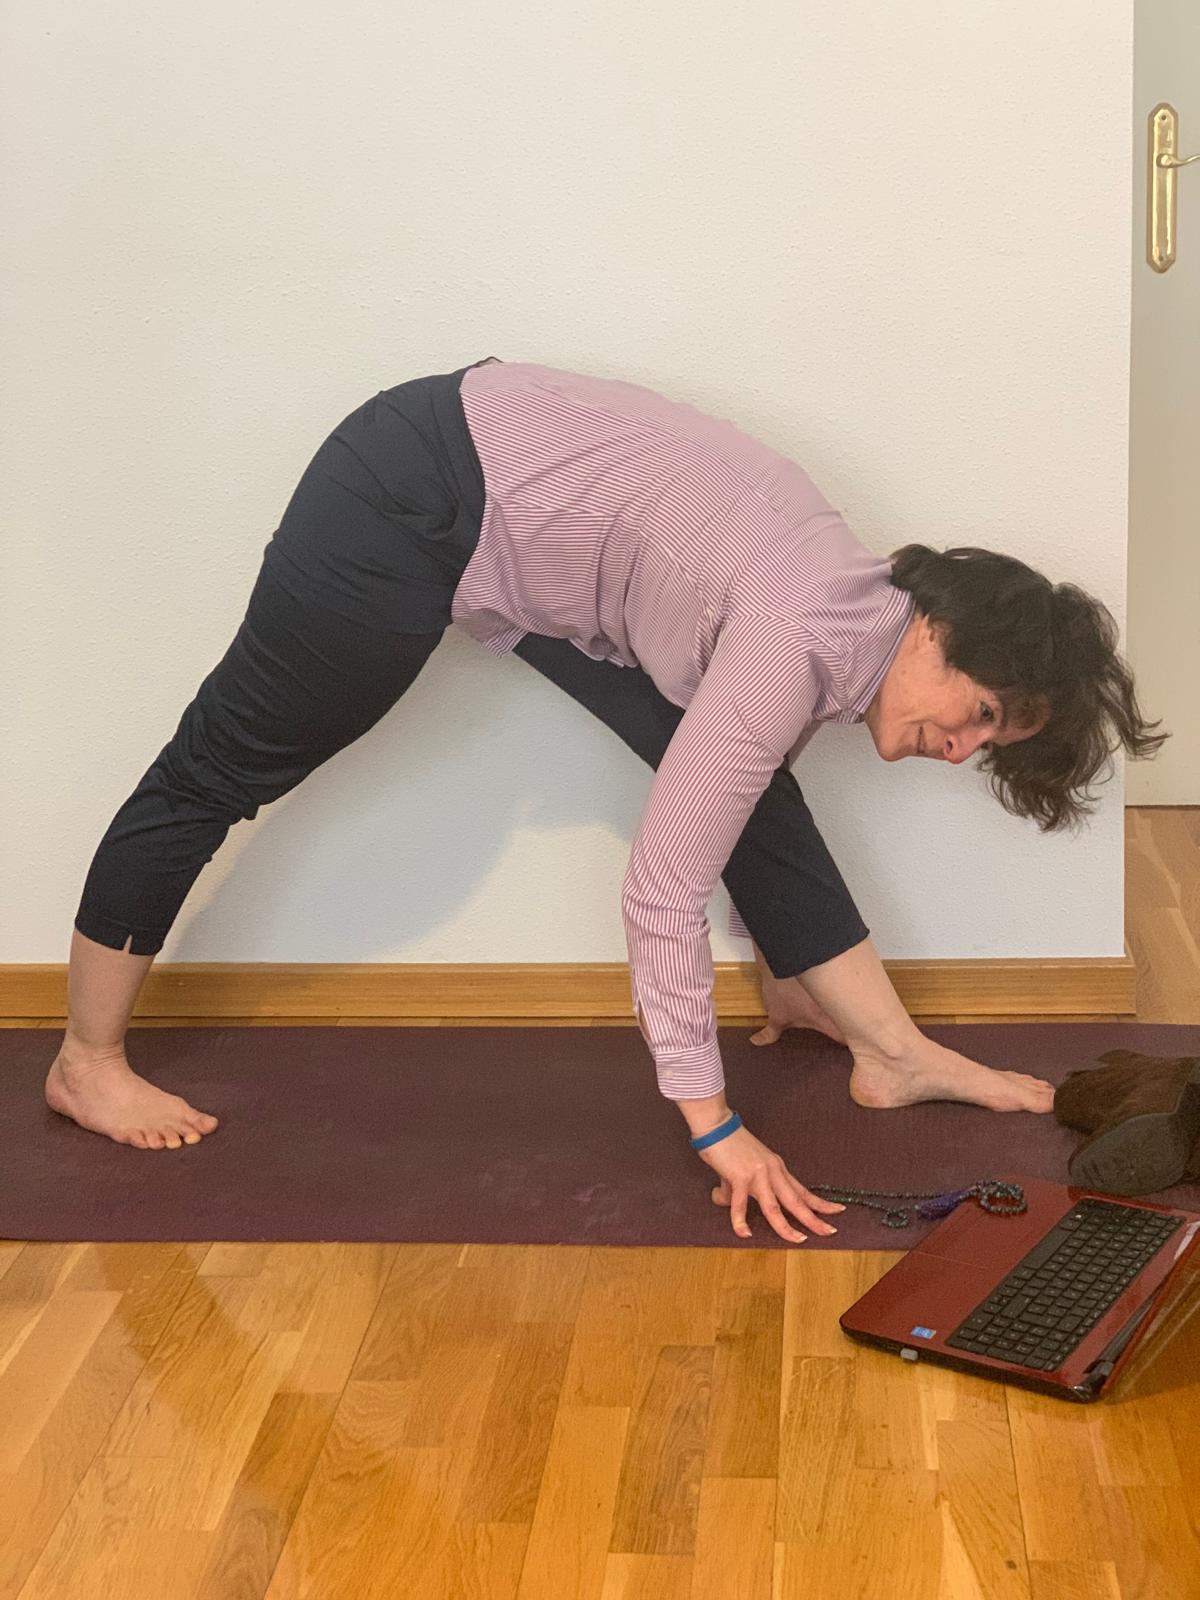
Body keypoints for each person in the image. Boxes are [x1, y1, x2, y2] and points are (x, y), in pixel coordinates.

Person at [45, 357, 1167, 1244]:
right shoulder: (789, 643)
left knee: (741, 776)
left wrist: (778, 963)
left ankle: (891, 1050)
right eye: (980, 713)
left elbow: (733, 782)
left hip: (505, 496)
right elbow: (661, 890)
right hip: (406, 494)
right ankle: (84, 1063)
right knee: (220, 768)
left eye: (990, 745)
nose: (962, 750)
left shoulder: (848, 608)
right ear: (939, 629)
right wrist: (715, 1126)